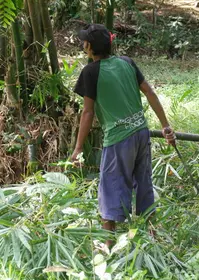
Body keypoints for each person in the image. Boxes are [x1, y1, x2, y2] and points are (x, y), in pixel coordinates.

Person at [70, 24, 176, 245]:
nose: (83, 44)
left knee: (110, 188)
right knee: (144, 184)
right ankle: (151, 237)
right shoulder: (126, 62)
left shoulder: (90, 71)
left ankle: (107, 245)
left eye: (84, 42)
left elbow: (88, 112)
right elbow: (149, 91)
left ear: (89, 46)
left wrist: (78, 147)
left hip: (118, 139)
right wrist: (165, 125)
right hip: (141, 133)